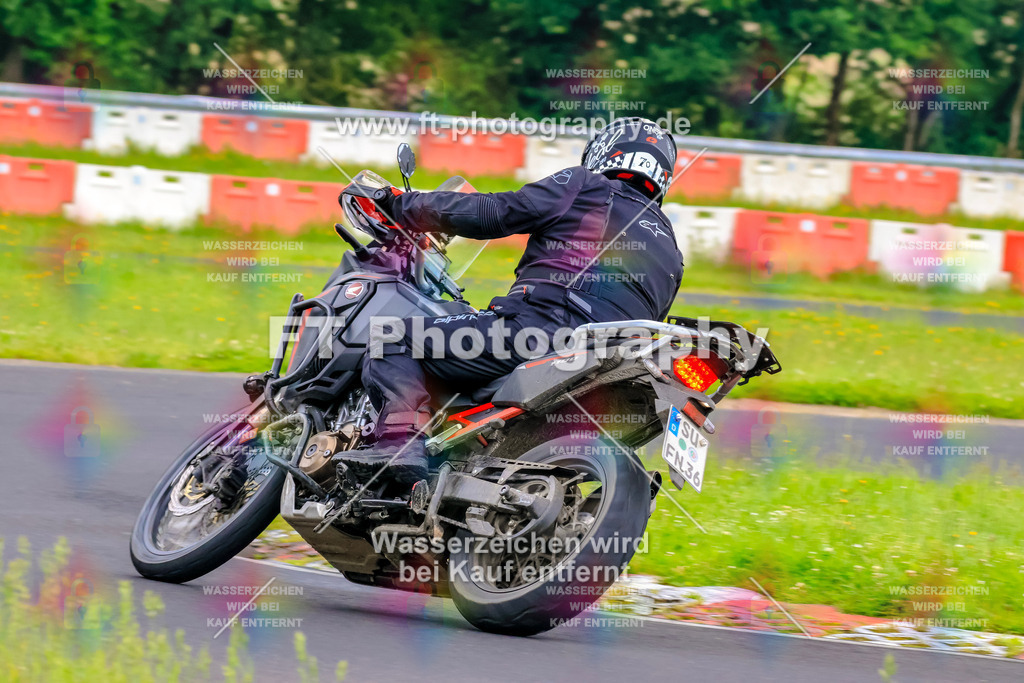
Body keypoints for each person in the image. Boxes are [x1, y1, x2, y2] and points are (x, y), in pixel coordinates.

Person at [344, 117, 685, 485]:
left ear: (606, 150)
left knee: (392, 339)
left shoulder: (586, 186)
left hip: (541, 330)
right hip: (609, 360)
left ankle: (399, 447)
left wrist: (400, 205)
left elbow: (494, 213)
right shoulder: (671, 249)